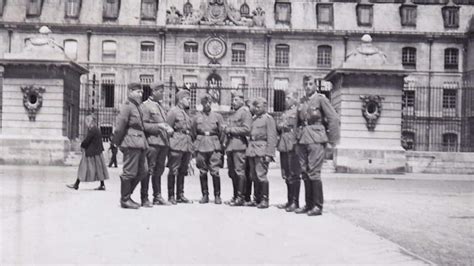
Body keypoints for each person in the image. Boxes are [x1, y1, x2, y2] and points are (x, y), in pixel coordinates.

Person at [295, 75, 340, 216]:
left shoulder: (321, 99)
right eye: (305, 84)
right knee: (305, 172)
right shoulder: (301, 101)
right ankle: (308, 204)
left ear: (315, 85)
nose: (308, 87)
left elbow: (333, 118)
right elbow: (297, 122)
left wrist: (332, 141)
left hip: (316, 138)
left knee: (314, 172)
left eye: (310, 84)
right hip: (303, 139)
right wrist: (297, 138)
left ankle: (317, 205)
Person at [112, 82, 149, 209]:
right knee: (129, 172)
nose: (141, 94)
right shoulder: (127, 106)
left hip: (140, 142)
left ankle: (128, 195)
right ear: (130, 92)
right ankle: (125, 199)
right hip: (131, 142)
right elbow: (120, 126)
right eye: (138, 92)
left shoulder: (137, 106)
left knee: (143, 171)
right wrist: (116, 142)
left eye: (141, 92)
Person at [140, 82, 173, 207]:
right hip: (152, 143)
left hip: (163, 143)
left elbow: (163, 123)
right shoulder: (145, 106)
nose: (163, 93)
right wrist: (158, 126)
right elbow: (143, 125)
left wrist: (168, 129)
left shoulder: (160, 107)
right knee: (148, 170)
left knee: (159, 170)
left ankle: (157, 196)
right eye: (160, 91)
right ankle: (144, 198)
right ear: (153, 92)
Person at [192, 94, 225, 204]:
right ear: (201, 104)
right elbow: (193, 132)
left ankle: (217, 195)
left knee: (215, 171)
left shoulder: (218, 117)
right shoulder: (196, 117)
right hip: (201, 145)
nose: (207, 105)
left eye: (209, 102)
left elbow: (222, 133)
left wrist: (219, 145)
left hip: (214, 145)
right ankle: (205, 195)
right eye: (205, 103)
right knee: (202, 171)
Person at [246, 97, 277, 209]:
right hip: (252, 149)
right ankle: (256, 199)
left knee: (261, 175)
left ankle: (264, 199)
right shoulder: (254, 119)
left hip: (262, 150)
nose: (257, 109)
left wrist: (269, 154)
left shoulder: (268, 119)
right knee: (253, 175)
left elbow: (272, 137)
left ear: (265, 107)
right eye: (256, 107)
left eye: (259, 107)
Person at [224, 90, 252, 206]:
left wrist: (230, 130)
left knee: (239, 171)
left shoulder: (245, 112)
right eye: (232, 100)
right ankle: (235, 195)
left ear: (242, 100)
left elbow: (247, 129)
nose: (233, 102)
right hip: (231, 146)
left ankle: (241, 197)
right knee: (232, 172)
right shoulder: (235, 113)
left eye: (236, 100)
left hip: (240, 145)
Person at [166, 89, 195, 204]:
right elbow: (168, 128)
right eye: (187, 99)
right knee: (174, 170)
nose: (189, 101)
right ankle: (171, 195)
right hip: (176, 144)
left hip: (186, 144)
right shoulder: (173, 111)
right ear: (180, 99)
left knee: (183, 170)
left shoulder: (186, 113)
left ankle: (180, 194)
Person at [67, 115, 109, 190]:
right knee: (99, 169)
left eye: (86, 122)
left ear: (90, 121)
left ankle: (76, 184)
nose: (86, 124)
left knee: (83, 167)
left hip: (91, 153)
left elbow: (87, 140)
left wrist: (81, 145)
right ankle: (102, 185)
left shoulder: (93, 130)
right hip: (97, 152)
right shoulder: (96, 129)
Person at [276, 90, 301, 212]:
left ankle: (295, 202)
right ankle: (289, 200)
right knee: (286, 174)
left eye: (289, 98)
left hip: (292, 144)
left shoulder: (298, 111)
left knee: (294, 174)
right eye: (286, 98)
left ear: (295, 99)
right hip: (283, 144)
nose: (286, 100)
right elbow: (279, 126)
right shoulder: (285, 113)